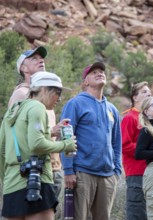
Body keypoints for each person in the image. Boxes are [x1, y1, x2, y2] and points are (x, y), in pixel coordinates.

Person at [0, 71, 76, 219]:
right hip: (38, 185)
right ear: (44, 90)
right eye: (57, 92)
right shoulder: (37, 107)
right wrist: (65, 145)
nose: (59, 98)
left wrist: (7, 181)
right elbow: (36, 144)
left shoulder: (12, 111)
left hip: (11, 187)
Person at [60, 61, 122, 220]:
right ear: (85, 81)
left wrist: (117, 171)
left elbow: (116, 143)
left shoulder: (112, 109)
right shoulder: (75, 104)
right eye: (93, 72)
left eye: (102, 71)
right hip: (82, 173)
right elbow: (66, 136)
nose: (99, 73)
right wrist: (68, 170)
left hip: (108, 176)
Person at [8, 47, 66, 201]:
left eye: (41, 58)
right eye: (34, 58)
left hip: (52, 166)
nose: (41, 60)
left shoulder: (43, 93)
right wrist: (53, 132)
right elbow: (16, 131)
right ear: (23, 68)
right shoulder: (22, 94)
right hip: (33, 168)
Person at [121, 81, 151, 220]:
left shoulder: (148, 119)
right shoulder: (129, 118)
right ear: (135, 97)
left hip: (151, 172)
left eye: (149, 92)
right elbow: (125, 145)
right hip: (136, 172)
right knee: (137, 212)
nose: (148, 94)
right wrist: (147, 152)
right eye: (144, 92)